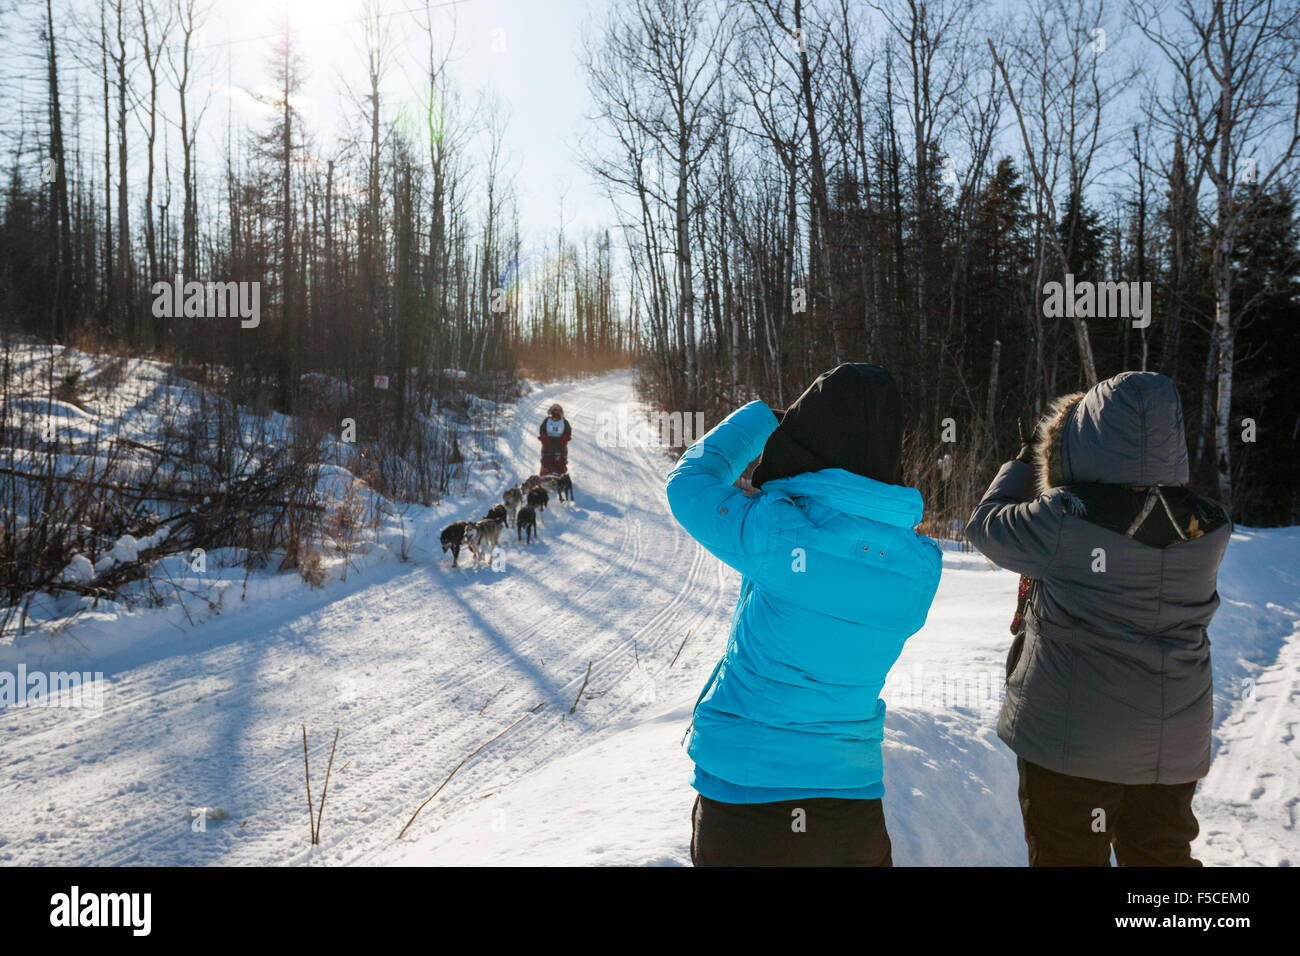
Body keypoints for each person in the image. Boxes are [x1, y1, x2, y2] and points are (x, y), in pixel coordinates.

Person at [665, 364, 943, 866]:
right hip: (852, 811)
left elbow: (687, 483)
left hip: (748, 805)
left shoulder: (778, 533)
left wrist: (759, 424)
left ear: (805, 439)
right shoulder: (920, 566)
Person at [964, 371, 1232, 867]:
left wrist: (1027, 461)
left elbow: (985, 526)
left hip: (1074, 742)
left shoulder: (1062, 518)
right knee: (1162, 860)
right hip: (1171, 741)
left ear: (1088, 435)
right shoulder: (1211, 526)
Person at [538, 403, 571, 476]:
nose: (556, 413)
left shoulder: (564, 422)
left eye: (557, 411)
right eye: (554, 411)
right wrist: (544, 437)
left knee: (560, 461)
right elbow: (542, 430)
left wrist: (565, 437)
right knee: (546, 460)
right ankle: (545, 474)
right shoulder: (547, 421)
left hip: (560, 446)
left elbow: (568, 431)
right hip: (547, 445)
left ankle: (560, 475)